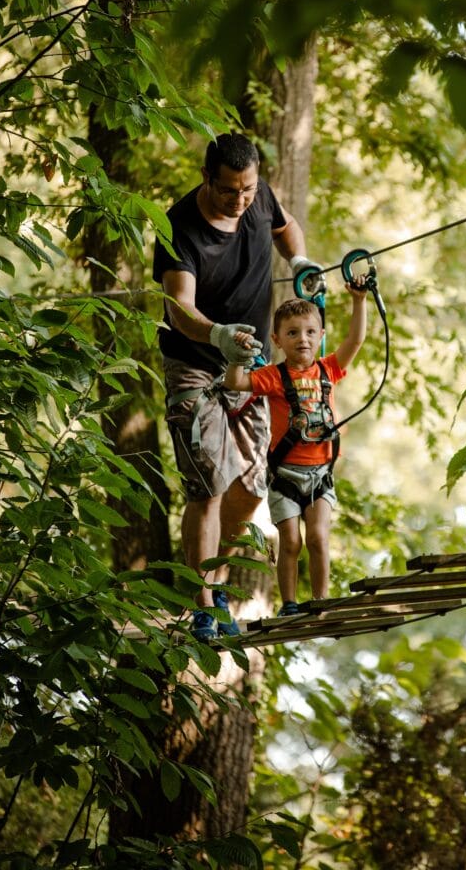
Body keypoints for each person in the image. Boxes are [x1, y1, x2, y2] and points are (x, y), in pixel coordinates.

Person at [153, 132, 320, 642]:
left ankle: (216, 585)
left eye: (247, 189)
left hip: (253, 367)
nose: (241, 200)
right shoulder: (178, 226)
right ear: (208, 179)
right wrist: (218, 334)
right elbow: (180, 309)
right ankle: (201, 605)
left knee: (249, 489)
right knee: (208, 481)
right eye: (230, 191)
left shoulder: (259, 195)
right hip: (196, 364)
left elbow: (283, 227)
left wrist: (299, 263)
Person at [224, 280, 368, 616]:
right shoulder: (273, 377)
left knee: (318, 538)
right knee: (290, 542)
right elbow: (235, 382)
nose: (301, 339)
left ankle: (321, 602)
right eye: (292, 333)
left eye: (309, 332)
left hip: (321, 476)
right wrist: (236, 358)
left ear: (320, 336)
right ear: (277, 339)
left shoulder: (329, 369)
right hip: (286, 475)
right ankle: (288, 605)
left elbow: (355, 339)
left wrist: (358, 300)